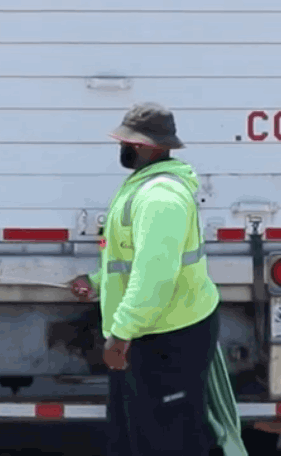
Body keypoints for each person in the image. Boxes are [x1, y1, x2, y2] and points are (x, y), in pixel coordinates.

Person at [69, 102, 246, 456]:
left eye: (127, 143)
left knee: (166, 439)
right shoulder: (147, 188)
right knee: (137, 434)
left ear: (146, 146)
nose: (123, 148)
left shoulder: (160, 197)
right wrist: (97, 279)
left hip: (167, 338)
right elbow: (135, 260)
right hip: (157, 332)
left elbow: (156, 276)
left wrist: (121, 334)